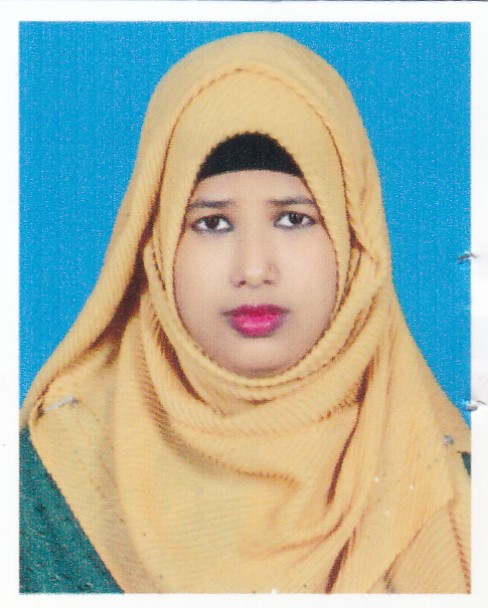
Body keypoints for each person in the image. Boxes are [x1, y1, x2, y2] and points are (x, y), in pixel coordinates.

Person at [19, 31, 470, 593]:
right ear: (156, 248)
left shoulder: (453, 495)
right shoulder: (43, 491)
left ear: (355, 243)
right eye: (212, 223)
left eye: (294, 219)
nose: (254, 269)